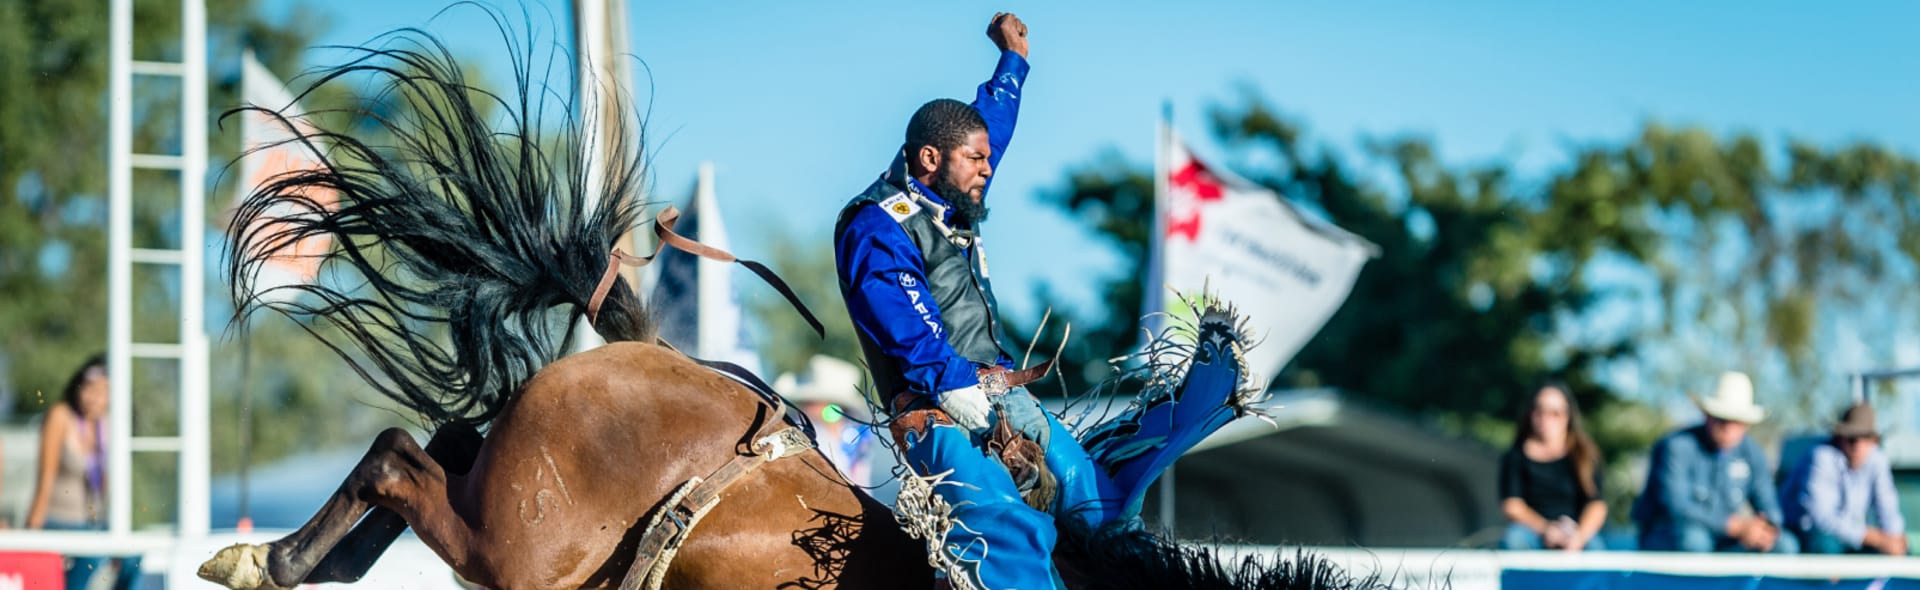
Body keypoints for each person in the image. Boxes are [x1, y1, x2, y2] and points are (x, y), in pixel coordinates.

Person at [834, 12, 1261, 588]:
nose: (990, 168)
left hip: (1004, 393)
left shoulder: (951, 183)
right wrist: (965, 396)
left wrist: (1014, 62)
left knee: (1101, 515)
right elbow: (905, 332)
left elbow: (994, 124)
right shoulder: (876, 226)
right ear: (930, 159)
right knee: (1005, 535)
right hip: (935, 409)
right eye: (977, 160)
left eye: (987, 159)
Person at [1632, 371, 1798, 553]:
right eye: (1721, 419)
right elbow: (1676, 505)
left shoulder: (1752, 453)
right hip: (1668, 533)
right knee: (1694, 541)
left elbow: (1768, 502)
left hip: (1724, 539)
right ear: (1707, 416)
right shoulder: (1677, 447)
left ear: (1746, 424)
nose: (1728, 427)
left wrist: (1764, 529)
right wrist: (1734, 526)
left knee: (1785, 545)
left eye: (1736, 421)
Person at [28, 353, 142, 589]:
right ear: (78, 386)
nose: (93, 397)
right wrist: (31, 532)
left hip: (95, 523)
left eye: (103, 391)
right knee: (93, 553)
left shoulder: (110, 423)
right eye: (89, 387)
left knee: (134, 554)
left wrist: (118, 529)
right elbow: (45, 478)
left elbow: (111, 487)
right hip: (57, 521)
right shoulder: (61, 415)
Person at [1779, 402, 1907, 555]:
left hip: (1848, 534)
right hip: (1805, 533)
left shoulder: (1878, 461)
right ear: (1840, 437)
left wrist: (1895, 538)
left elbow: (1888, 507)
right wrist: (1873, 537)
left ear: (1873, 441)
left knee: (1902, 550)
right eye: (1851, 437)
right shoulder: (1821, 457)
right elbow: (1822, 519)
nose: (1857, 444)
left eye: (1865, 437)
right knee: (1825, 545)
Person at [1499, 382, 1607, 551]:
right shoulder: (1515, 456)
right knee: (1514, 539)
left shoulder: (1585, 454)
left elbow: (1596, 505)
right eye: (1539, 410)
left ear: (1568, 415)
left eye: (1555, 413)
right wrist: (1546, 529)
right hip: (1532, 532)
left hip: (1575, 531)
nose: (1546, 418)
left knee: (1595, 548)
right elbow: (1512, 506)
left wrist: (1579, 537)